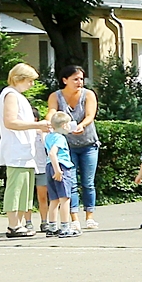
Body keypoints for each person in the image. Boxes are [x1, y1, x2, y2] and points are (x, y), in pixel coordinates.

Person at [0, 63, 47, 237]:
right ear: (19, 79)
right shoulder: (10, 95)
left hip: (24, 149)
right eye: (30, 80)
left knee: (24, 187)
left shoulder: (16, 95)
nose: (31, 84)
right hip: (16, 148)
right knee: (16, 187)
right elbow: (10, 122)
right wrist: (37, 124)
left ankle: (18, 223)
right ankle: (13, 225)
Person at [48, 64, 100, 229]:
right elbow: (51, 112)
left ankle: (90, 216)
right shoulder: (56, 96)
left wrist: (82, 125)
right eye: (75, 79)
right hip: (67, 146)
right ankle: (74, 218)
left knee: (88, 182)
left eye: (81, 79)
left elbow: (90, 115)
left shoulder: (88, 94)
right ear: (65, 80)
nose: (80, 82)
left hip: (88, 144)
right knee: (70, 183)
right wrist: (49, 120)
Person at [41, 110, 80, 237]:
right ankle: (65, 227)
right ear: (64, 126)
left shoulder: (49, 136)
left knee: (54, 200)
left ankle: (52, 227)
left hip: (48, 167)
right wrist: (58, 170)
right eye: (68, 124)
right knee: (65, 199)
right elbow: (52, 153)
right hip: (61, 166)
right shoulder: (60, 138)